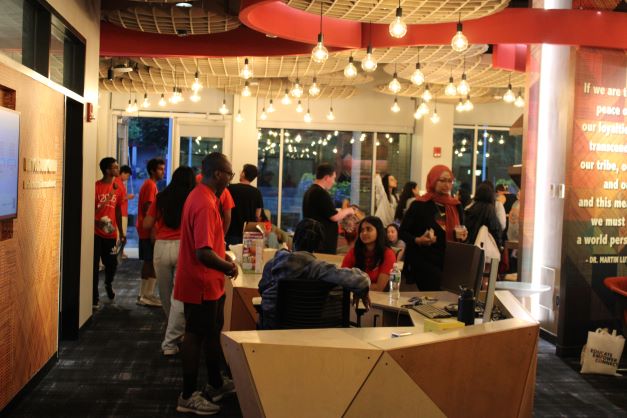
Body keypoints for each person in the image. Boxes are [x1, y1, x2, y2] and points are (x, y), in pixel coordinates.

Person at [173, 153, 238, 415]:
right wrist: (229, 266)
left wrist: (223, 259)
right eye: (229, 174)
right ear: (218, 174)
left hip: (210, 283)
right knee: (195, 336)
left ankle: (215, 383)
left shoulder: (207, 197)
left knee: (211, 334)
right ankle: (187, 395)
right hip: (200, 282)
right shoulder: (204, 203)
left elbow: (210, 245)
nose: (230, 179)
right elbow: (203, 252)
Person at [258, 218, 371, 330]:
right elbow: (362, 280)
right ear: (318, 245)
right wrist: (360, 289)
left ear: (294, 238)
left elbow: (262, 289)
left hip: (273, 330)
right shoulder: (319, 268)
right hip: (312, 330)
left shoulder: (272, 264)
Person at [143, 166, 196, 356]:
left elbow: (147, 224)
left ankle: (172, 332)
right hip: (184, 247)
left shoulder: (161, 197)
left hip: (161, 247)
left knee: (165, 294)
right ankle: (172, 339)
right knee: (179, 296)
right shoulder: (192, 198)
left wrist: (159, 223)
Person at [400, 165, 467, 291]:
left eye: (450, 181)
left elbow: (461, 229)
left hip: (450, 261)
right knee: (434, 297)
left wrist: (463, 235)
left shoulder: (456, 206)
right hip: (425, 261)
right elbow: (402, 232)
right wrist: (418, 240)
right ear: (432, 180)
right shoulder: (419, 204)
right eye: (442, 180)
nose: (446, 185)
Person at [302, 163, 354, 254]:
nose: (334, 182)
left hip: (314, 239)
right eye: (333, 178)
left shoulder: (310, 191)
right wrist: (349, 210)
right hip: (322, 242)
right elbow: (334, 216)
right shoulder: (321, 193)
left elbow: (325, 212)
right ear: (326, 177)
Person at [93, 157, 125, 307]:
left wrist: (121, 231)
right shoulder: (96, 187)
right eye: (115, 167)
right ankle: (94, 297)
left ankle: (108, 283)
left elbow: (118, 210)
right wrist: (96, 222)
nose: (118, 169)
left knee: (111, 264)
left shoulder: (119, 188)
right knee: (93, 266)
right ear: (107, 170)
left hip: (111, 234)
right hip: (95, 232)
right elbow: (90, 210)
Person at [136, 158, 166, 307]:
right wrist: (154, 230)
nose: (163, 172)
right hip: (148, 230)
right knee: (150, 262)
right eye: (160, 169)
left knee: (149, 262)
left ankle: (145, 294)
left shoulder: (150, 185)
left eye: (163, 169)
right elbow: (149, 209)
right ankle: (146, 295)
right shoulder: (150, 185)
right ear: (153, 171)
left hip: (146, 229)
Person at [342, 216, 397, 292]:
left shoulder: (388, 254)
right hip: (353, 296)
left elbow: (379, 288)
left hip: (377, 297)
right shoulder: (354, 251)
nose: (364, 233)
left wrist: (353, 285)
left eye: (369, 229)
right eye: (362, 230)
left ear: (378, 231)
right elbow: (342, 278)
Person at [226, 164, 264, 245]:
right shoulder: (257, 192)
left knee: (230, 252)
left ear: (243, 174)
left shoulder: (230, 188)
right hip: (249, 234)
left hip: (232, 232)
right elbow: (257, 215)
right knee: (247, 253)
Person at [464, 182, 504, 248]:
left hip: (471, 246)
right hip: (485, 247)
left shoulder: (471, 207)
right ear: (491, 195)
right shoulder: (490, 209)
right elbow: (496, 229)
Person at [115, 165, 134, 260]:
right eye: (127, 175)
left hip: (123, 212)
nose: (127, 178)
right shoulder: (117, 182)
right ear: (122, 173)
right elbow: (118, 198)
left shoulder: (120, 183)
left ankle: (121, 251)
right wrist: (128, 197)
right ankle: (118, 252)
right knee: (120, 233)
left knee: (122, 233)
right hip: (121, 213)